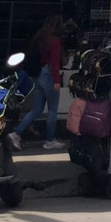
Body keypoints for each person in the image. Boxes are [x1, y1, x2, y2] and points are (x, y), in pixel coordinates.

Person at [10, 14, 66, 151]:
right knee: (52, 109)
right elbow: (54, 63)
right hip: (49, 74)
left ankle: (16, 133)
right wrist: (57, 81)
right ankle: (50, 140)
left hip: (38, 74)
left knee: (36, 109)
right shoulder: (55, 41)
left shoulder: (40, 37)